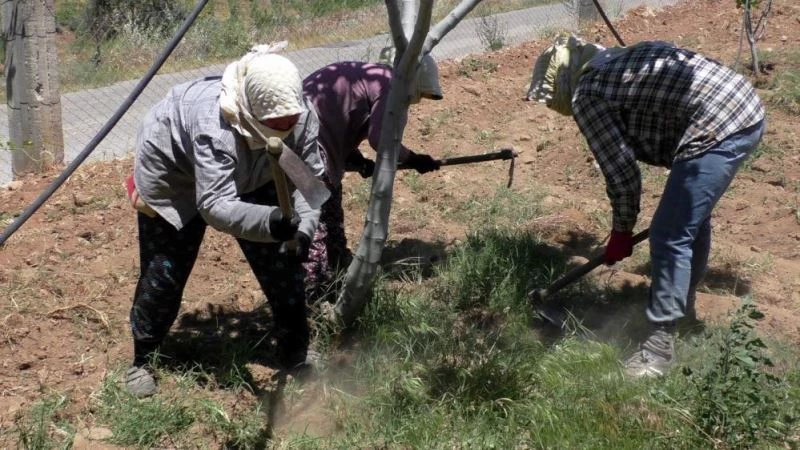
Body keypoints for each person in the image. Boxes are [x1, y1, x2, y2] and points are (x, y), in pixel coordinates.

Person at [527, 35, 765, 378]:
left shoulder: (588, 96)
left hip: (721, 123)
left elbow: (622, 173)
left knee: (670, 235)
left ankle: (658, 349)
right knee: (687, 222)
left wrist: (621, 232)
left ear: (563, 86)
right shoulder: (617, 60)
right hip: (744, 108)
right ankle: (682, 315)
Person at [123, 45, 325, 397]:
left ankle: (295, 352)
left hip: (257, 171)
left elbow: (308, 185)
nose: (286, 129)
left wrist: (302, 231)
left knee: (284, 263)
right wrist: (272, 220)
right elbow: (214, 205)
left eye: (288, 124)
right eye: (274, 127)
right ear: (251, 113)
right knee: (165, 270)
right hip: (175, 174)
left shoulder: (301, 115)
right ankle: (144, 357)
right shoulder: (214, 126)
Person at [300, 53, 444, 300]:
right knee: (319, 219)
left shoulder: (374, 78)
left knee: (329, 212)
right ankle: (314, 295)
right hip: (309, 143)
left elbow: (343, 122)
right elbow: (380, 139)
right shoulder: (389, 85)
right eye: (419, 95)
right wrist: (414, 159)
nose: (416, 102)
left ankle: (337, 273)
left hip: (307, 135)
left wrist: (359, 163)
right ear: (413, 82)